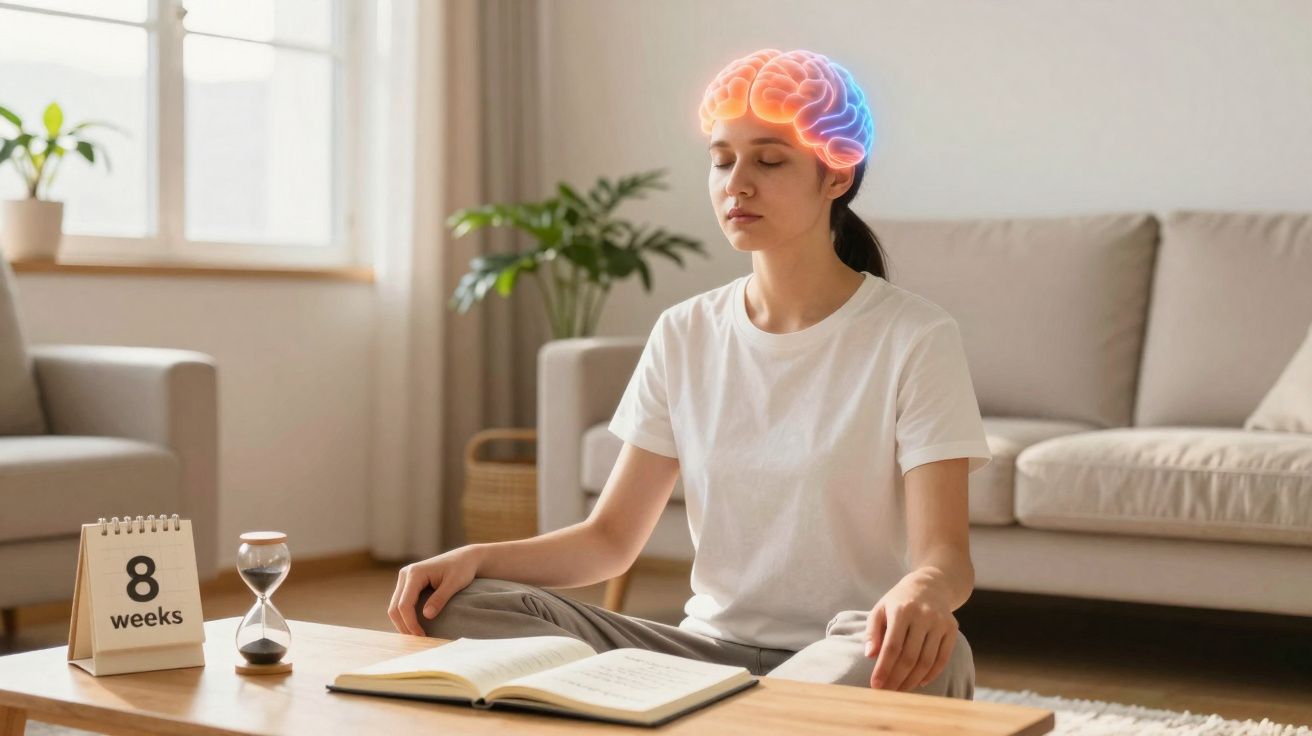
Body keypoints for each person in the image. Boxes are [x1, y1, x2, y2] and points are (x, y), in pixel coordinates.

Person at [387, 48, 991, 699]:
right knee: (453, 603)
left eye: (769, 159)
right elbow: (610, 540)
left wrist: (923, 594)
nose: (737, 182)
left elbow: (946, 559)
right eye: (722, 159)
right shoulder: (684, 331)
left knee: (937, 652)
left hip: (843, 649)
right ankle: (738, 714)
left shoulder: (915, 336)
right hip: (700, 655)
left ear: (836, 177)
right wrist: (473, 559)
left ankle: (700, 714)